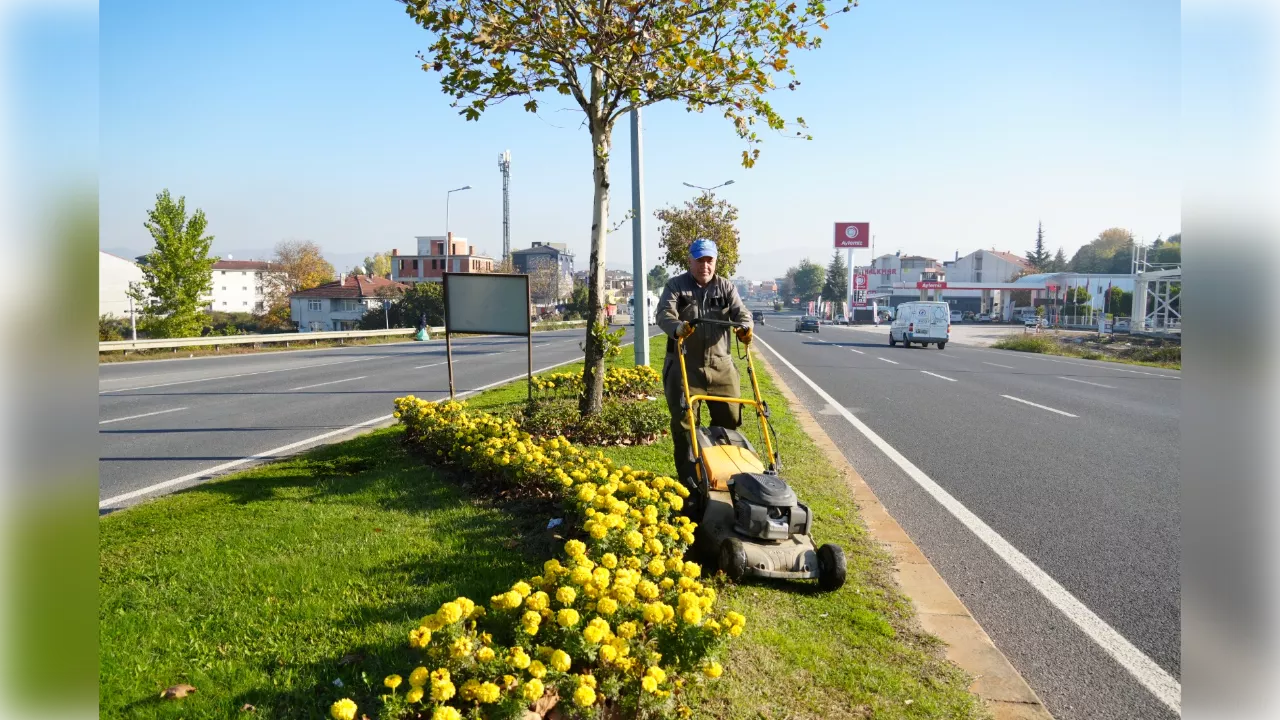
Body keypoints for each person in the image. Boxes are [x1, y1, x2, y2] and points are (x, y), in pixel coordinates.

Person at [654, 239, 752, 491]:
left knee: (729, 424)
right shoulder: (676, 286)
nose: (704, 266)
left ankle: (727, 478)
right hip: (685, 367)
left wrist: (745, 328)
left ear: (715, 261)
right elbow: (664, 313)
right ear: (690, 261)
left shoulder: (726, 287)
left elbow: (742, 313)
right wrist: (678, 327)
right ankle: (691, 483)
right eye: (699, 260)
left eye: (709, 260)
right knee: (686, 428)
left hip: (721, 368)